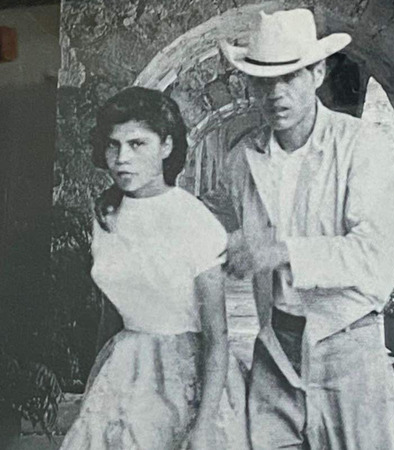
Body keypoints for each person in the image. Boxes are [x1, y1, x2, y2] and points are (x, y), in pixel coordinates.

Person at [202, 8, 394, 450]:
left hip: (348, 344)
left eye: (289, 77)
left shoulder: (361, 147)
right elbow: (217, 225)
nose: (276, 93)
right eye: (263, 81)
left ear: (317, 73)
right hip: (275, 347)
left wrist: (281, 251)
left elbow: (374, 258)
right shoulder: (243, 159)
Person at [60, 87, 249, 450]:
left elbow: (217, 336)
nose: (122, 158)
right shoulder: (107, 215)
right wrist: (98, 388)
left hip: (184, 377)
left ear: (166, 146)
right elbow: (113, 311)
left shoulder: (193, 219)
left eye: (137, 144)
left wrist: (204, 425)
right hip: (124, 369)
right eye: (113, 145)